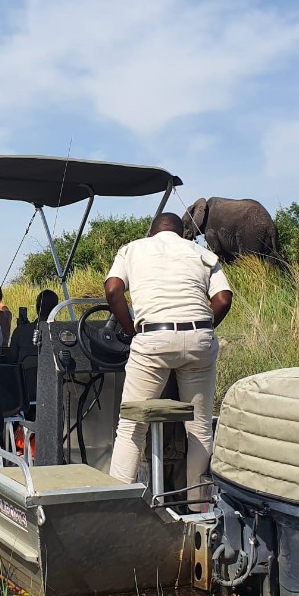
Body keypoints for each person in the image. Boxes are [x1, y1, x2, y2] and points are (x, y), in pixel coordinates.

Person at [104, 212, 233, 507]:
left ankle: (116, 504)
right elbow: (223, 298)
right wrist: (202, 328)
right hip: (201, 337)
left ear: (151, 233)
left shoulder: (133, 249)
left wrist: (129, 329)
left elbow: (113, 290)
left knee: (131, 426)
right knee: (199, 428)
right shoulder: (201, 253)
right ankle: (198, 507)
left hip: (153, 337)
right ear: (183, 234)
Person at [8, 289, 58, 362]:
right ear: (56, 309)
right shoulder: (61, 332)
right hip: (54, 373)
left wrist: (21, 329)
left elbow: (12, 359)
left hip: (26, 373)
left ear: (37, 308)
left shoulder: (20, 331)